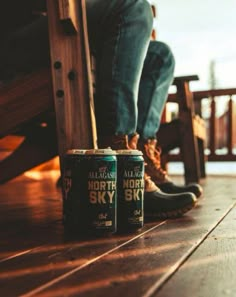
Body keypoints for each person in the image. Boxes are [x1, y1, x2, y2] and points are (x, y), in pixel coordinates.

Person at [0, 0, 203, 219]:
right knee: (133, 7)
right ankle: (121, 166)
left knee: (159, 56)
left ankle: (139, 159)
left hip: (54, 24)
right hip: (12, 39)